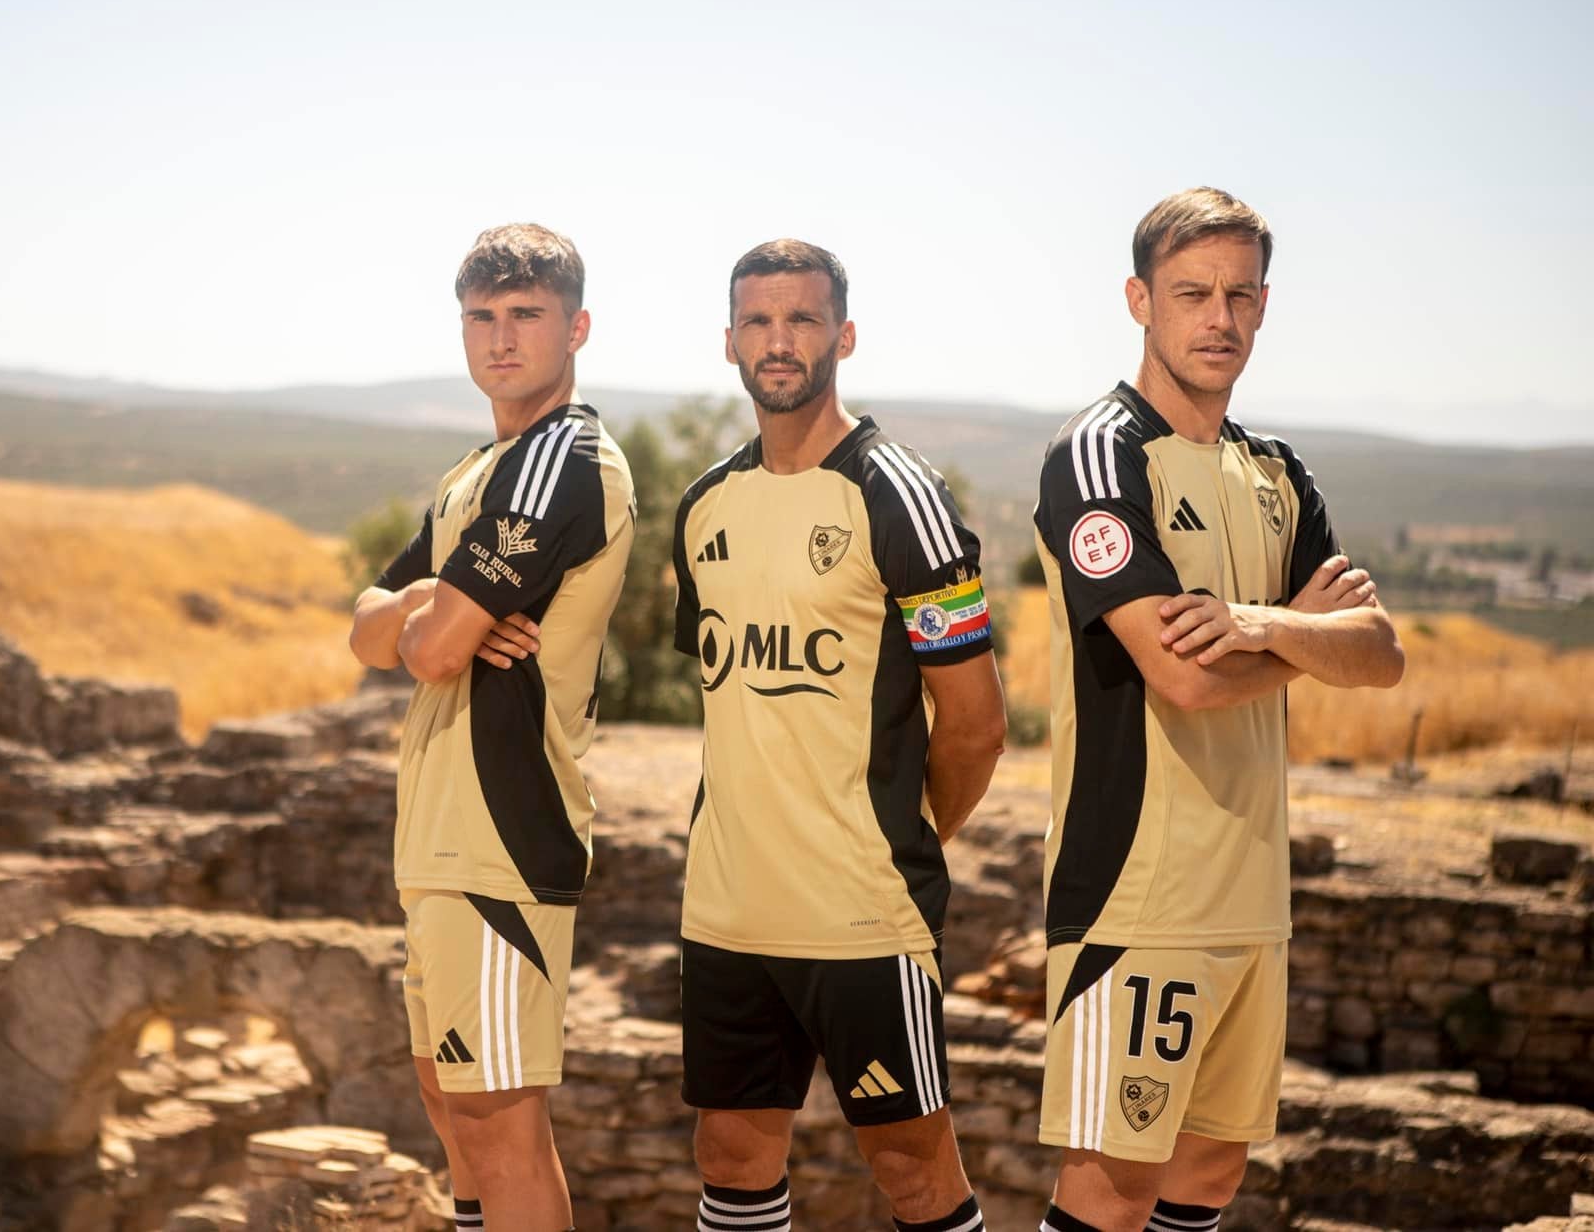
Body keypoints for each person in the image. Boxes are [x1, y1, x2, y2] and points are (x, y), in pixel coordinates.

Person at [1031, 187, 1405, 1232]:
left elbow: (1378, 655)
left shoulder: (1277, 472)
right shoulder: (1098, 454)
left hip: (1252, 893)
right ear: (1137, 300)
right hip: (1139, 895)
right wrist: (1298, 631)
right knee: (1109, 1190)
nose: (1219, 318)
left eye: (1239, 294)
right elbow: (1183, 677)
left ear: (1264, 303)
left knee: (1207, 1179)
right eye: (1191, 292)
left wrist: (1253, 619)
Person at [671, 239, 1008, 1232]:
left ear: (842, 334)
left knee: (911, 1168)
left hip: (861, 911)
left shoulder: (898, 492)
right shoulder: (703, 509)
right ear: (729, 339)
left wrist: (901, 840)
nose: (780, 342)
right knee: (728, 1152)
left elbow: (976, 727)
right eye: (760, 322)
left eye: (803, 319)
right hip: (727, 909)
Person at [348, 223, 635, 1232]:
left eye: (525, 316)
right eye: (482, 317)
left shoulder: (563, 459)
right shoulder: (478, 468)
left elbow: (422, 653)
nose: (500, 338)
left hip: (502, 831)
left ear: (577, 328)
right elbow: (366, 628)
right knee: (449, 1103)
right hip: (434, 836)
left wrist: (429, 622)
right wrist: (440, 590)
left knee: (500, 1121)